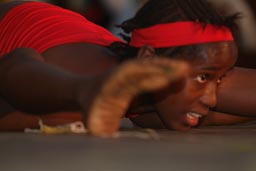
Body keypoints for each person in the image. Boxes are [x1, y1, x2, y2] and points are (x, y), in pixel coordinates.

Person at [0, 0, 255, 137]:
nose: (210, 97)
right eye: (204, 77)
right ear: (148, 57)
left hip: (60, 33)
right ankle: (89, 92)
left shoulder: (151, 81)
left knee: (192, 93)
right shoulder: (76, 67)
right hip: (18, 33)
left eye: (217, 78)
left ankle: (94, 94)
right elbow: (14, 68)